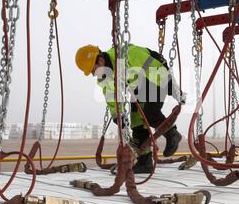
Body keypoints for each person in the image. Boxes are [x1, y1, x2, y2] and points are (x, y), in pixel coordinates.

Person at [75, 44, 183, 174]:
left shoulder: (126, 54)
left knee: (149, 112)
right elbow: (111, 97)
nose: (93, 74)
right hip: (138, 85)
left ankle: (172, 133)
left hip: (156, 74)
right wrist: (118, 116)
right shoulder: (105, 76)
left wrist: (172, 87)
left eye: (93, 69)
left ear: (101, 60)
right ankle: (145, 162)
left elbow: (153, 66)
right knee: (137, 121)